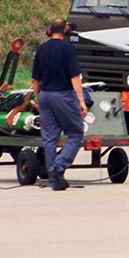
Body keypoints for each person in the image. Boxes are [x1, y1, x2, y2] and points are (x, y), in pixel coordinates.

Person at [31, 18, 88, 190]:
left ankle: (55, 182)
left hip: (45, 96)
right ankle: (58, 167)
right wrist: (81, 101)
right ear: (66, 31)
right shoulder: (68, 49)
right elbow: (75, 78)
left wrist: (38, 100)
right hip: (62, 95)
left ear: (49, 31)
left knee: (49, 139)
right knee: (76, 133)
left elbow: (35, 80)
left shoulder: (41, 49)